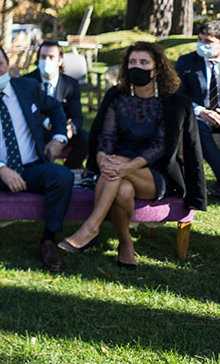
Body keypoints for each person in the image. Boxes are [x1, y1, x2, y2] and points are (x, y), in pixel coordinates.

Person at [61, 42, 206, 268]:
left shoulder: (171, 102)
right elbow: (104, 136)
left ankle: (91, 227)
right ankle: (126, 243)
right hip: (116, 169)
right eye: (132, 62)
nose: (136, 67)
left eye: (143, 62)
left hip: (155, 171)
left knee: (117, 172)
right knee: (122, 188)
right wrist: (101, 159)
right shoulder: (117, 97)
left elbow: (160, 146)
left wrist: (125, 167)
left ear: (156, 68)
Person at [0, 42, 73, 273]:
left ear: (7, 64)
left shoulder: (28, 87)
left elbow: (56, 109)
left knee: (63, 175)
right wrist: (1, 168)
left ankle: (48, 241)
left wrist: (59, 138)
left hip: (31, 168)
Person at [23, 40, 88, 169]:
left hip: (64, 129)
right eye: (43, 57)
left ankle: (71, 169)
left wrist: (71, 129)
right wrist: (47, 123)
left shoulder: (71, 85)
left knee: (85, 138)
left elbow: (77, 115)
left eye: (51, 57)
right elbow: (25, 111)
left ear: (60, 60)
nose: (46, 61)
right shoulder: (26, 82)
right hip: (37, 130)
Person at [175, 20, 220, 198]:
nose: (202, 45)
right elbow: (177, 95)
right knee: (198, 128)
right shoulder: (186, 62)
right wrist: (201, 111)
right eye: (200, 39)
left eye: (208, 42)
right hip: (198, 116)